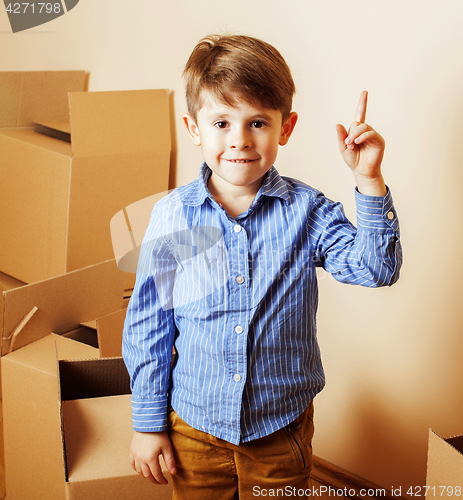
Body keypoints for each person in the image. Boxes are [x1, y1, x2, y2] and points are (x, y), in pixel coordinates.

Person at [122, 34, 402, 499]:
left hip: (279, 430)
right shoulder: (172, 216)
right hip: (193, 427)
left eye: (257, 122)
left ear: (285, 128)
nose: (239, 141)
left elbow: (376, 269)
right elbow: (150, 321)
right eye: (221, 122)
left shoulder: (307, 211)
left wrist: (367, 177)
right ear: (194, 128)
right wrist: (147, 421)